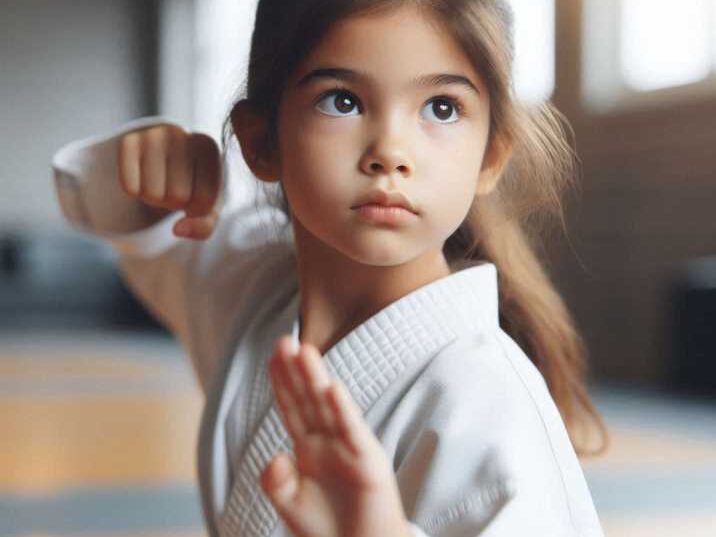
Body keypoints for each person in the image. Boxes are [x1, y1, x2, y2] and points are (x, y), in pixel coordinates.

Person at [51, 1, 610, 536]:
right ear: (261, 142)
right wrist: (147, 176)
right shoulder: (253, 289)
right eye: (341, 101)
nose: (390, 150)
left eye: (442, 107)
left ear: (491, 156)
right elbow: (116, 218)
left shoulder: (489, 405)